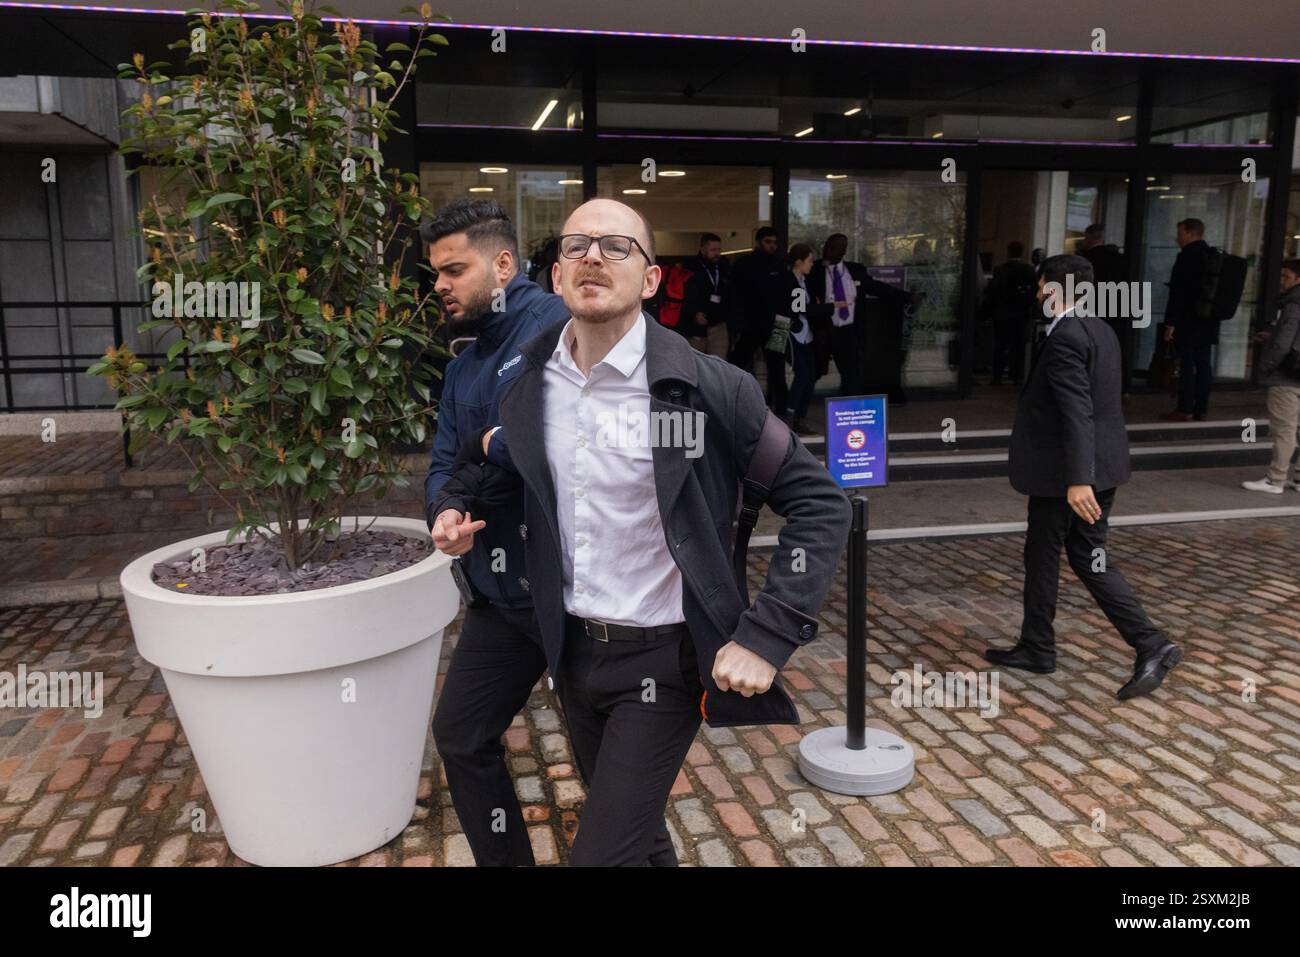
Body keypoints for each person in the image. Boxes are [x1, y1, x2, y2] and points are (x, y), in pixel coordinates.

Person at [459, 198, 850, 865]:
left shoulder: (706, 386)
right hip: (573, 652)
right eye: (576, 244)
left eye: (616, 246)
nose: (591, 256)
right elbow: (502, 461)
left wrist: (768, 631)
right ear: (555, 277)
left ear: (651, 280)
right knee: (636, 835)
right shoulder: (530, 387)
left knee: (601, 855)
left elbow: (819, 501)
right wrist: (453, 503)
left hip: (664, 660)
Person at [420, 199, 571, 866]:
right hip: (501, 600)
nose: (440, 285)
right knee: (459, 734)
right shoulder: (460, 367)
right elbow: (444, 464)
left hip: (576, 596)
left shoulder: (560, 325)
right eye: (435, 274)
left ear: (504, 263)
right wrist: (443, 515)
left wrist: (489, 446)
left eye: (454, 268)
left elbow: (557, 436)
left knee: (609, 768)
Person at [988, 254, 1182, 701]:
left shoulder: (1067, 337)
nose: (1037, 295)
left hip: (1066, 477)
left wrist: (1079, 479)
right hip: (1101, 467)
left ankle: (1127, 642)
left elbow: (1079, 410)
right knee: (1083, 554)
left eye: (1040, 287)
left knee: (1046, 555)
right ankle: (1052, 645)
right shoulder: (1101, 329)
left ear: (1055, 290)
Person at [1242, 259, 1300, 494]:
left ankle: (1275, 479)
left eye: (1286, 276)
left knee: (1284, 429)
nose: (1282, 281)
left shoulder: (1294, 303)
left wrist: (1266, 367)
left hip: (1286, 375)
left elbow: (1285, 341)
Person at [1161, 218, 1220, 422]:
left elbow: (1179, 294)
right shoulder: (1212, 256)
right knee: (1203, 364)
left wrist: (1170, 323)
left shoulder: (1187, 257)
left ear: (1190, 233)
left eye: (1180, 233)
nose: (1178, 238)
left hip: (1187, 320)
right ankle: (1200, 408)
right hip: (1209, 319)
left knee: (1185, 364)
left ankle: (1184, 408)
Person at [772, 243, 832, 434]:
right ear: (798, 262)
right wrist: (829, 307)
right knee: (803, 373)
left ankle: (799, 417)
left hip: (803, 333)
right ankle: (789, 416)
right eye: (809, 261)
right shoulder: (789, 280)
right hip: (788, 331)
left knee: (811, 374)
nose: (812, 264)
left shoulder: (803, 280)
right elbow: (800, 308)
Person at [1079, 224, 1130, 392]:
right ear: (1102, 237)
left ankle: (1094, 385)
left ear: (1088, 238)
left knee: (1092, 348)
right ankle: (1122, 387)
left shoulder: (1085, 260)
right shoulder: (1119, 259)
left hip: (1093, 309)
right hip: (1117, 309)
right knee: (1117, 348)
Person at [979, 241, 1038, 385]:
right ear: (1022, 253)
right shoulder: (1029, 270)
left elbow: (993, 291)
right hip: (1021, 314)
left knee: (1000, 345)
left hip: (1003, 314)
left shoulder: (1000, 270)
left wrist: (989, 310)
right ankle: (1016, 375)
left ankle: (997, 376)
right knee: (1018, 346)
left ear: (1008, 252)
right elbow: (1034, 292)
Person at [727, 226, 784, 372]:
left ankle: (777, 395)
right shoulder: (743, 264)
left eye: (774, 242)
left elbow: (791, 292)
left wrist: (792, 316)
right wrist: (737, 323)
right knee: (739, 364)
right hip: (751, 323)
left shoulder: (780, 264)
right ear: (758, 242)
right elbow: (734, 294)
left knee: (777, 369)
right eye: (768, 242)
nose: (772, 246)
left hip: (778, 325)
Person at [681, 232, 731, 357]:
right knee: (695, 364)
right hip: (696, 325)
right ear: (702, 249)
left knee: (719, 364)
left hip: (719, 324)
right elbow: (685, 295)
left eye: (719, 249)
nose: (717, 253)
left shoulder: (724, 267)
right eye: (713, 250)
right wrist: (694, 313)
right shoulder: (690, 267)